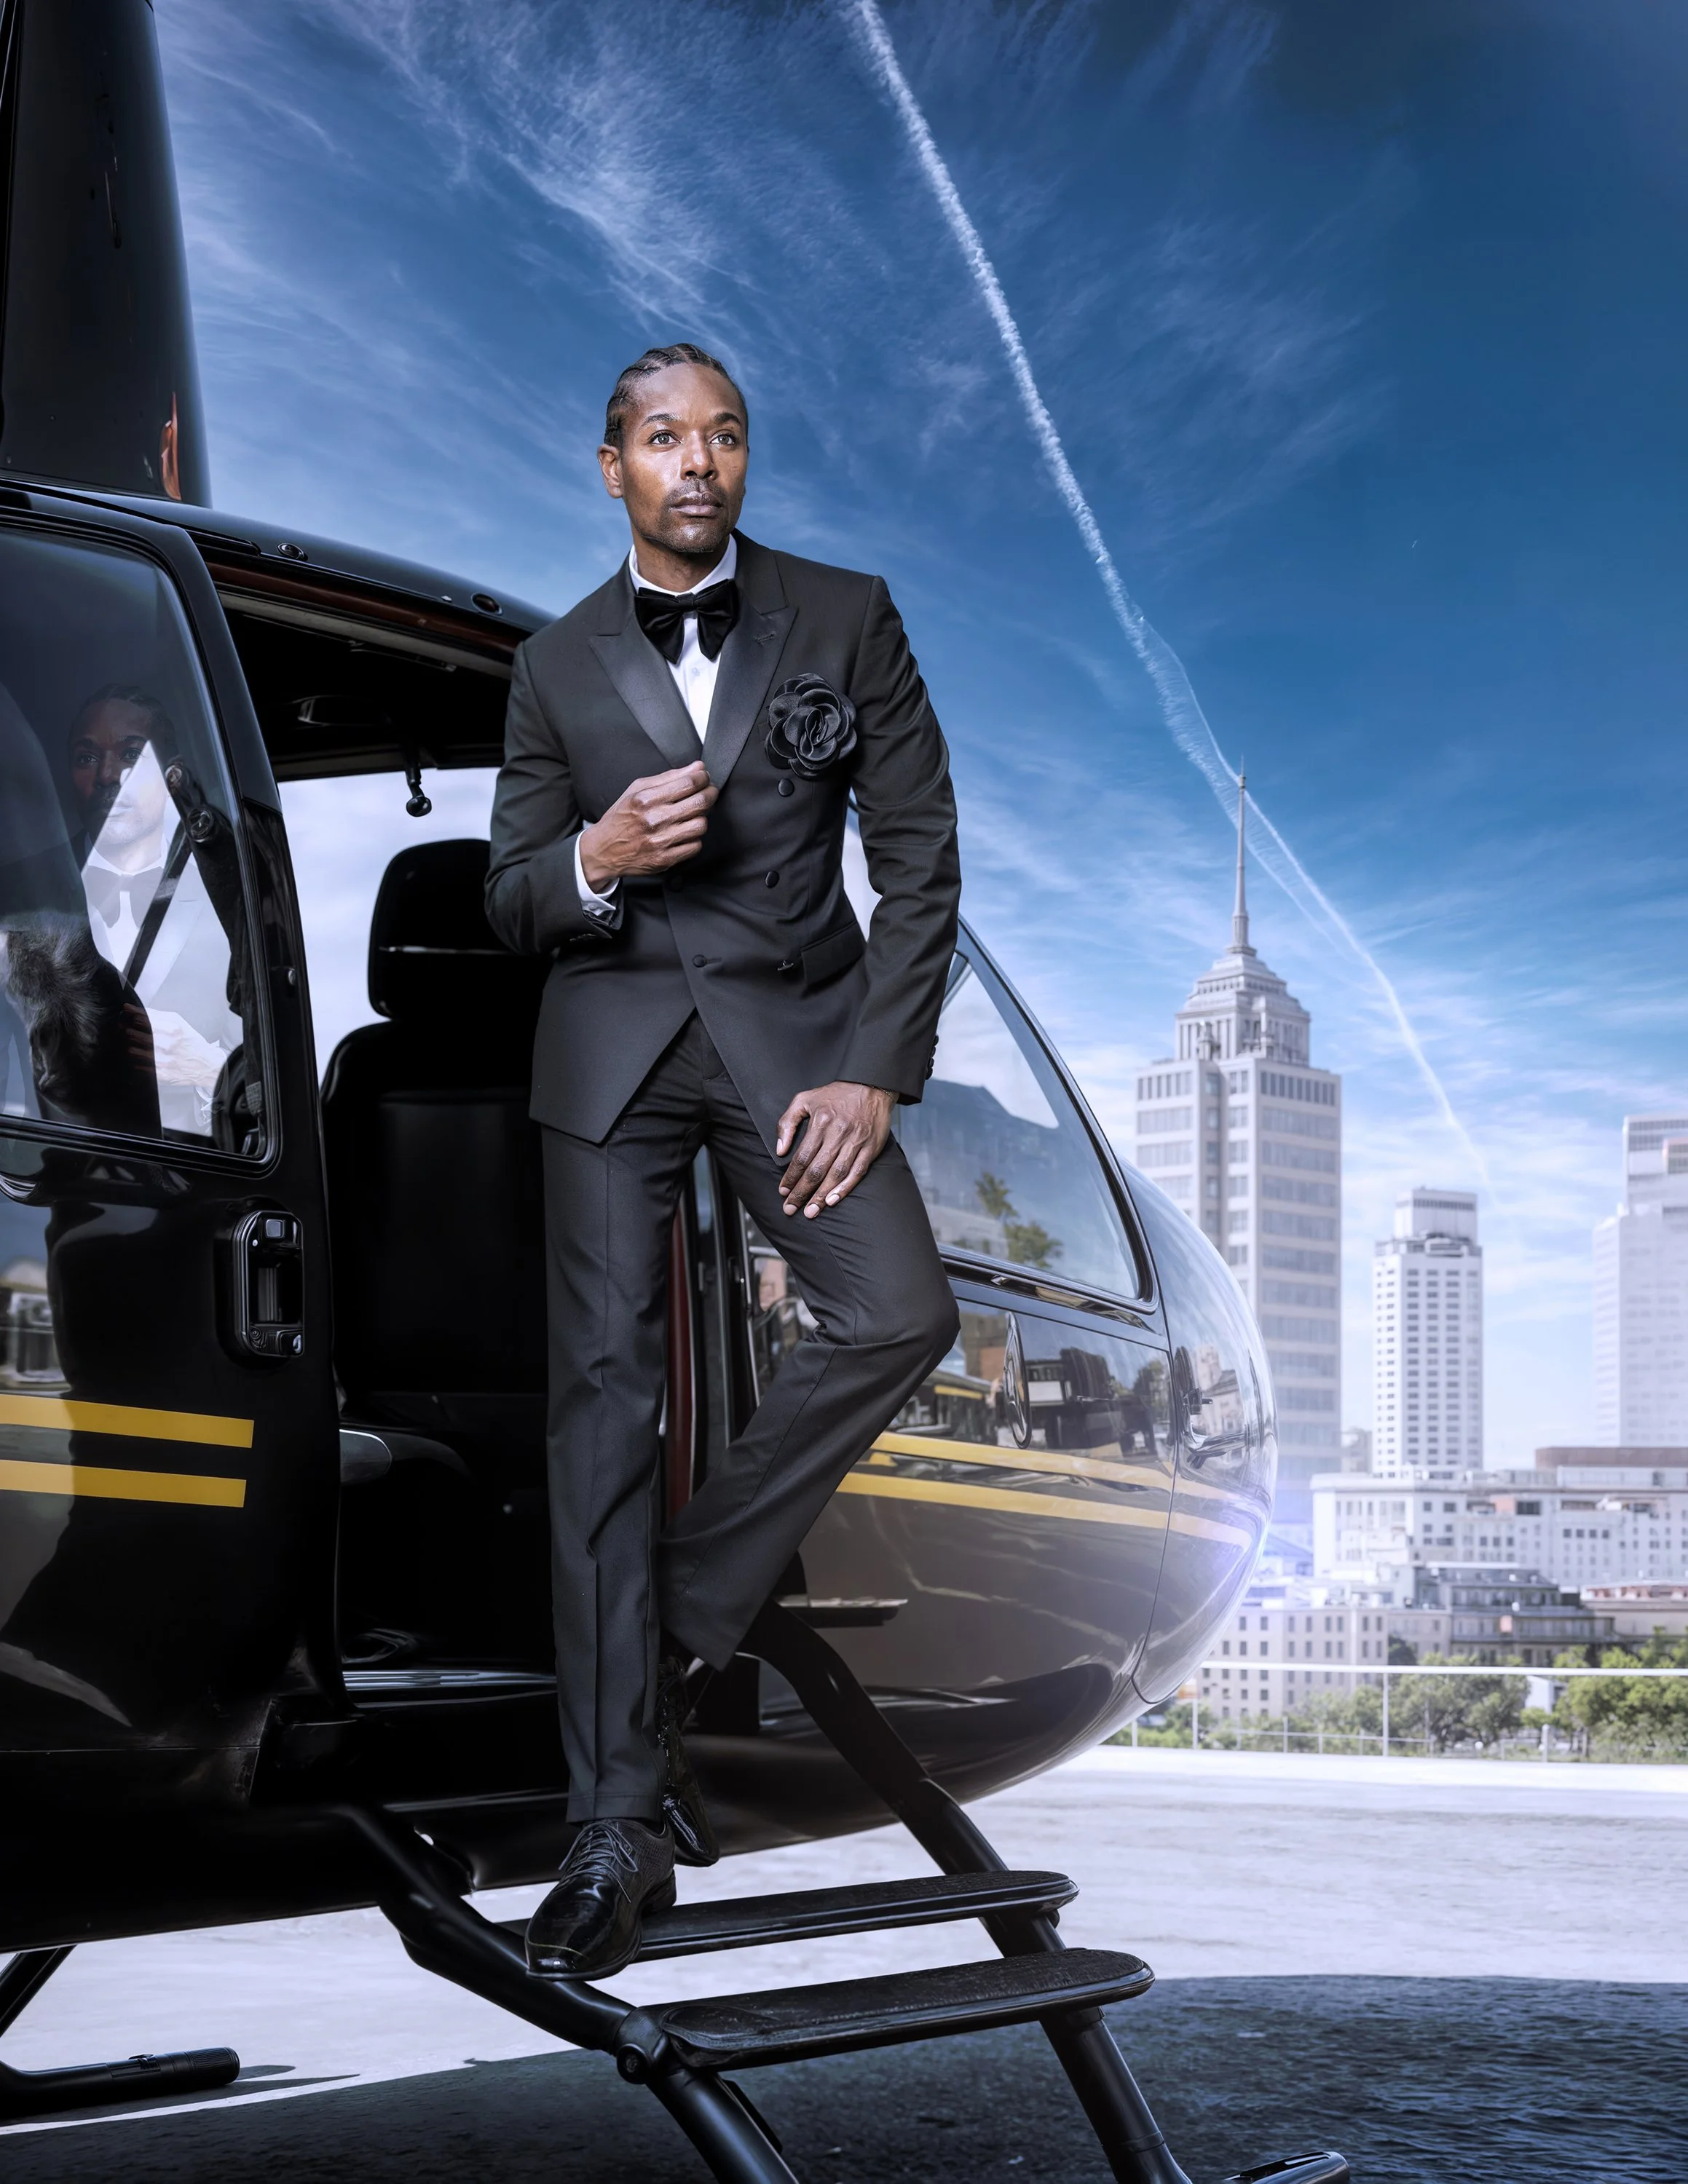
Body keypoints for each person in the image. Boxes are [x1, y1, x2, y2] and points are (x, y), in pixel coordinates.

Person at [486, 343, 962, 1978]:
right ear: (609, 463)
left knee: (898, 1312)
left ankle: (677, 1607)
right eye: (667, 440)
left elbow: (921, 862)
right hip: (609, 1058)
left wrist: (875, 1076)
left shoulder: (848, 614)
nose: (701, 464)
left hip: (795, 1058)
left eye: (728, 438)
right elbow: (508, 898)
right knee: (600, 1418)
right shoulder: (549, 667)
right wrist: (594, 859)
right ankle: (614, 1824)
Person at [68, 687, 239, 1136]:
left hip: (195, 1187)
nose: (107, 775)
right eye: (87, 758)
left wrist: (206, 1069)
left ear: (170, 773)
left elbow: (277, 1077)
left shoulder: (231, 892)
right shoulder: (24, 891)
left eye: (130, 755)